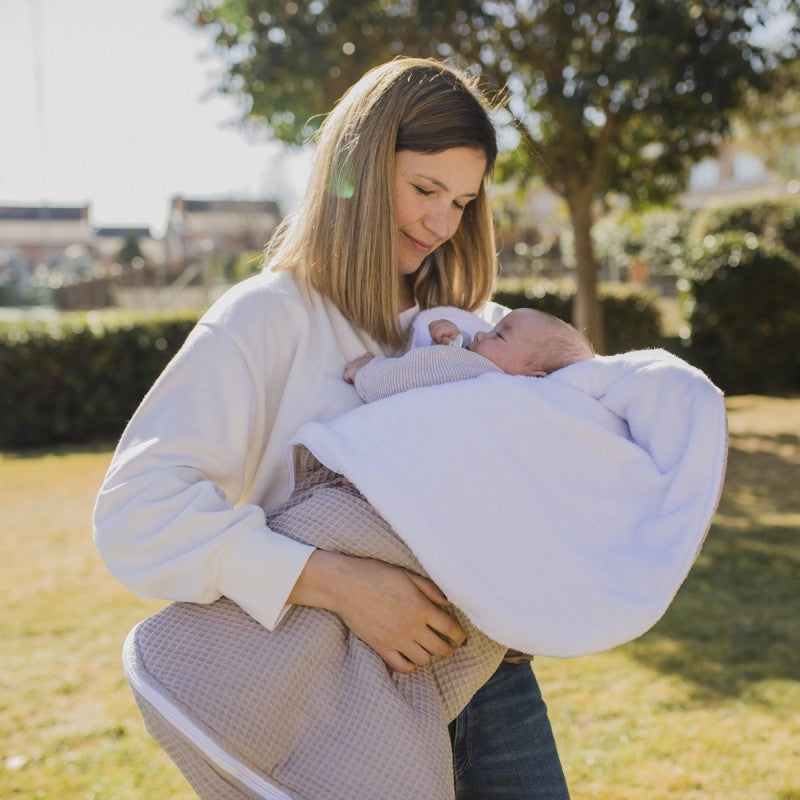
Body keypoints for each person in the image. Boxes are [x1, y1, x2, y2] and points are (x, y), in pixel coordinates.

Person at [93, 57, 570, 799]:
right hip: (344, 713)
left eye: (462, 201)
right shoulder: (263, 319)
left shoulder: (472, 331)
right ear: (358, 168)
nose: (442, 224)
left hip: (494, 683)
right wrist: (338, 583)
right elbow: (136, 515)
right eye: (424, 190)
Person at [344, 306, 595, 399]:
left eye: (498, 336)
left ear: (533, 376)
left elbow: (407, 376)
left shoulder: (483, 372)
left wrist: (366, 371)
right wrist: (452, 342)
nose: (480, 334)